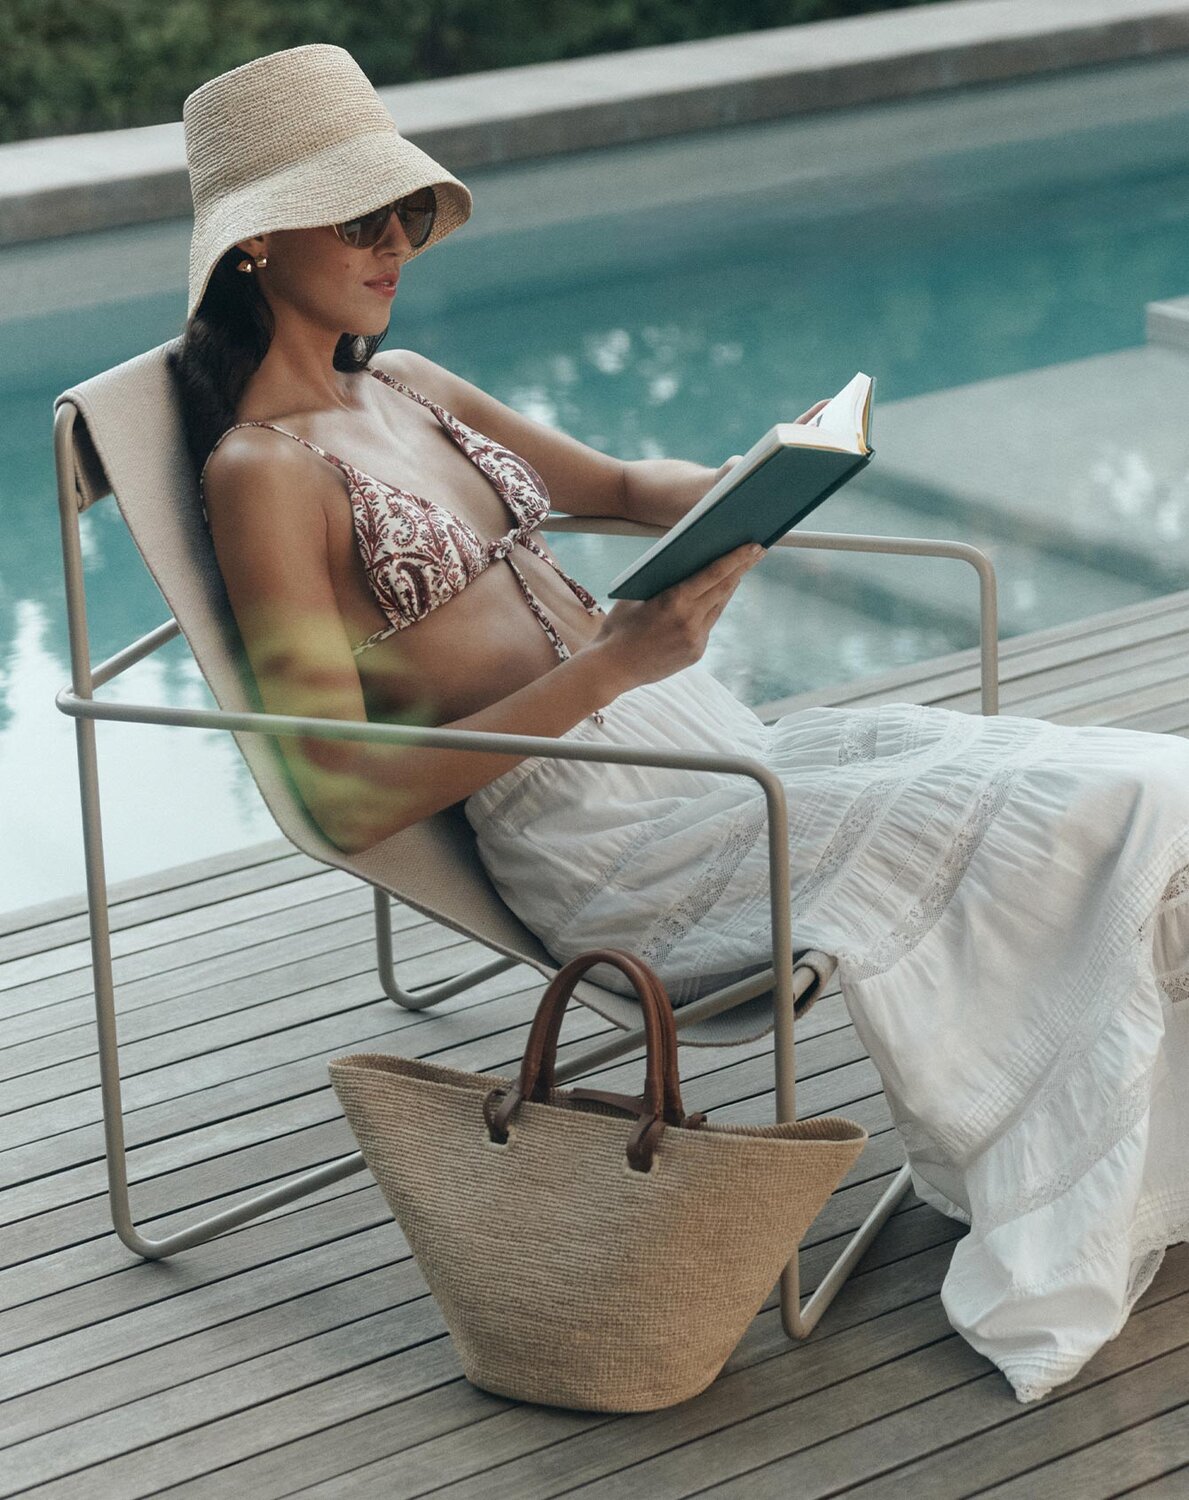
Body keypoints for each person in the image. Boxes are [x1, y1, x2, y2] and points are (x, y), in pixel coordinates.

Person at [173, 44, 1189, 1408]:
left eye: (407, 212)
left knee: (1141, 780)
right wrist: (611, 666)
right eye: (360, 217)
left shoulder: (409, 385)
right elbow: (345, 791)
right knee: (1098, 813)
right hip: (612, 831)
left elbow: (611, 484)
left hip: (707, 740)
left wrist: (752, 483)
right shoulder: (260, 475)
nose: (394, 243)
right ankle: (1092, 1162)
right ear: (252, 245)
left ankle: (1148, 1144)